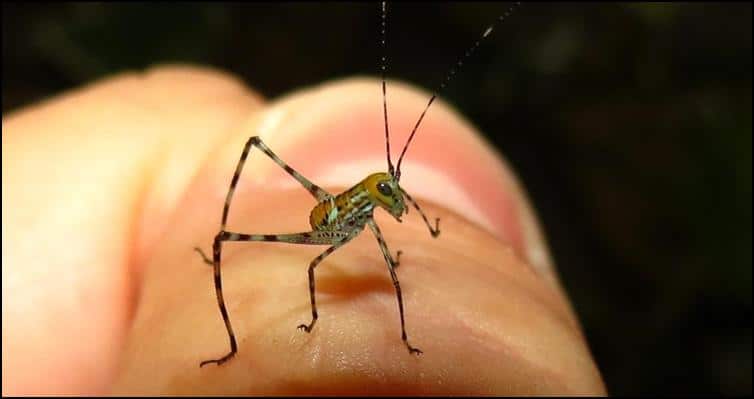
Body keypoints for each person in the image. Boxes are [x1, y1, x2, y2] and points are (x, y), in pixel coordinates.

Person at [2, 65, 607, 395]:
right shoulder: (350, 214)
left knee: (390, 266)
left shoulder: (379, 200)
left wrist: (417, 219)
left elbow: (399, 201)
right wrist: (318, 310)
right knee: (253, 178)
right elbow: (320, 262)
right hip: (319, 226)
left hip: (344, 218)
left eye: (388, 193)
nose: (392, 198)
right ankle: (232, 338)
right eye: (386, 192)